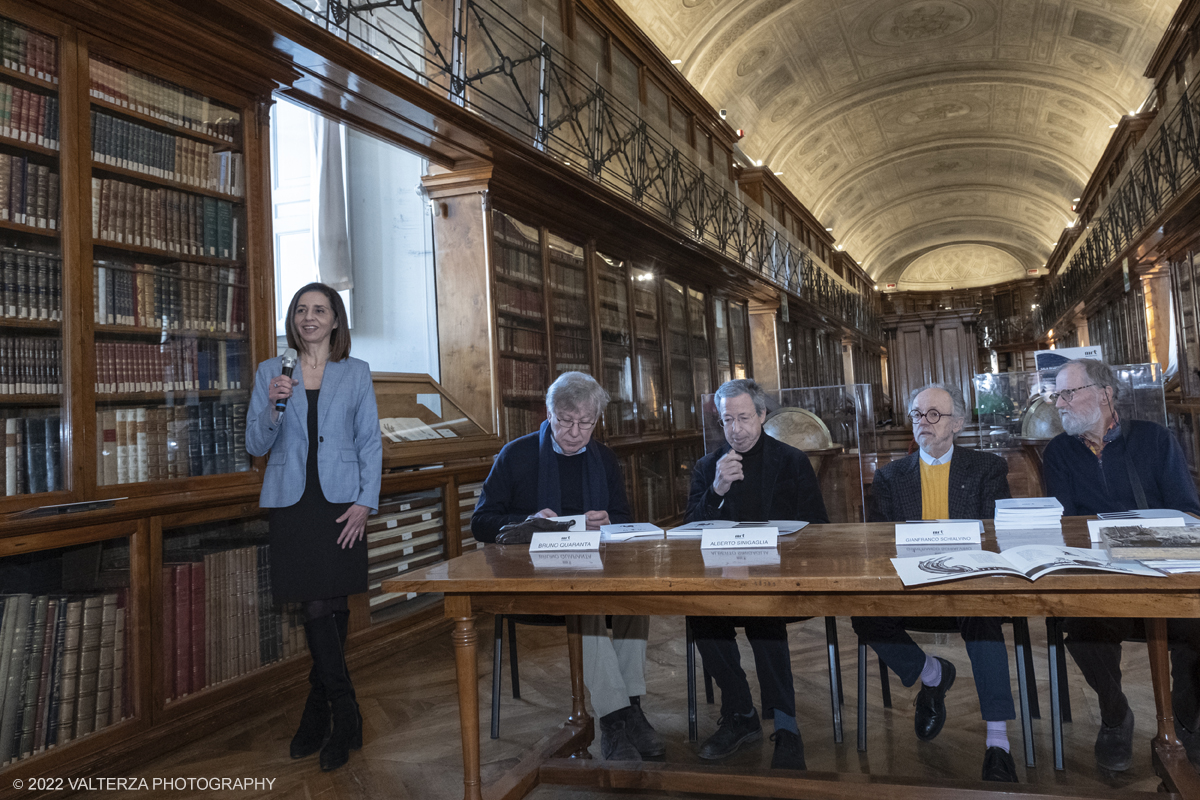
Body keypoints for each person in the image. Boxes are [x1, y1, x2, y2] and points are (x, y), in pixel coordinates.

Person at [471, 372, 663, 762]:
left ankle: (631, 707)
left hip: (596, 566)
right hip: (537, 578)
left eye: (585, 423)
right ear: (548, 413)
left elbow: (624, 518)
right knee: (587, 602)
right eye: (564, 421)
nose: (574, 432)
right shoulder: (517, 454)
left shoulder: (605, 459)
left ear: (597, 420)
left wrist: (609, 520)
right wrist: (527, 522)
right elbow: (481, 521)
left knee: (635, 599)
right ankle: (615, 719)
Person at [851, 384, 1018, 782]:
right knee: (863, 613)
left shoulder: (987, 469)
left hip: (969, 583)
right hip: (910, 585)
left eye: (933, 415)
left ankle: (998, 742)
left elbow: (998, 539)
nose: (922, 423)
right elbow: (878, 545)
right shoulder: (891, 477)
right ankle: (932, 674)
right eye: (916, 415)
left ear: (957, 423)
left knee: (983, 616)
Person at [246, 282, 381, 772]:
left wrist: (367, 502)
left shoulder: (356, 373)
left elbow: (370, 442)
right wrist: (271, 406)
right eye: (301, 310)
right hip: (293, 502)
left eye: (319, 310)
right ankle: (345, 712)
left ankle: (320, 710)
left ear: (335, 319)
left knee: (335, 598)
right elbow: (257, 444)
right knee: (315, 601)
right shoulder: (271, 371)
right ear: (293, 319)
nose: (309, 317)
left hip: (342, 502)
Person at [1043, 358, 1200, 771]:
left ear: (1105, 394)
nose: (1059, 403)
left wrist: (1144, 540)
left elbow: (1187, 511)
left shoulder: (1154, 439)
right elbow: (1066, 527)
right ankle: (1115, 716)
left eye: (1068, 393)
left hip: (1162, 573)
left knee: (1197, 627)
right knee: (1080, 629)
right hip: (1103, 578)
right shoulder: (1058, 453)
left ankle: (1187, 720)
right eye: (1056, 394)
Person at [686, 378, 828, 771]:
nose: (736, 429)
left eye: (744, 418)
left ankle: (786, 725)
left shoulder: (792, 461)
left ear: (763, 415)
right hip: (721, 581)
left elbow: (818, 527)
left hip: (778, 578)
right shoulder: (706, 468)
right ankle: (741, 712)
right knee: (700, 616)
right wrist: (715, 490)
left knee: (764, 615)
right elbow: (688, 533)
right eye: (727, 420)